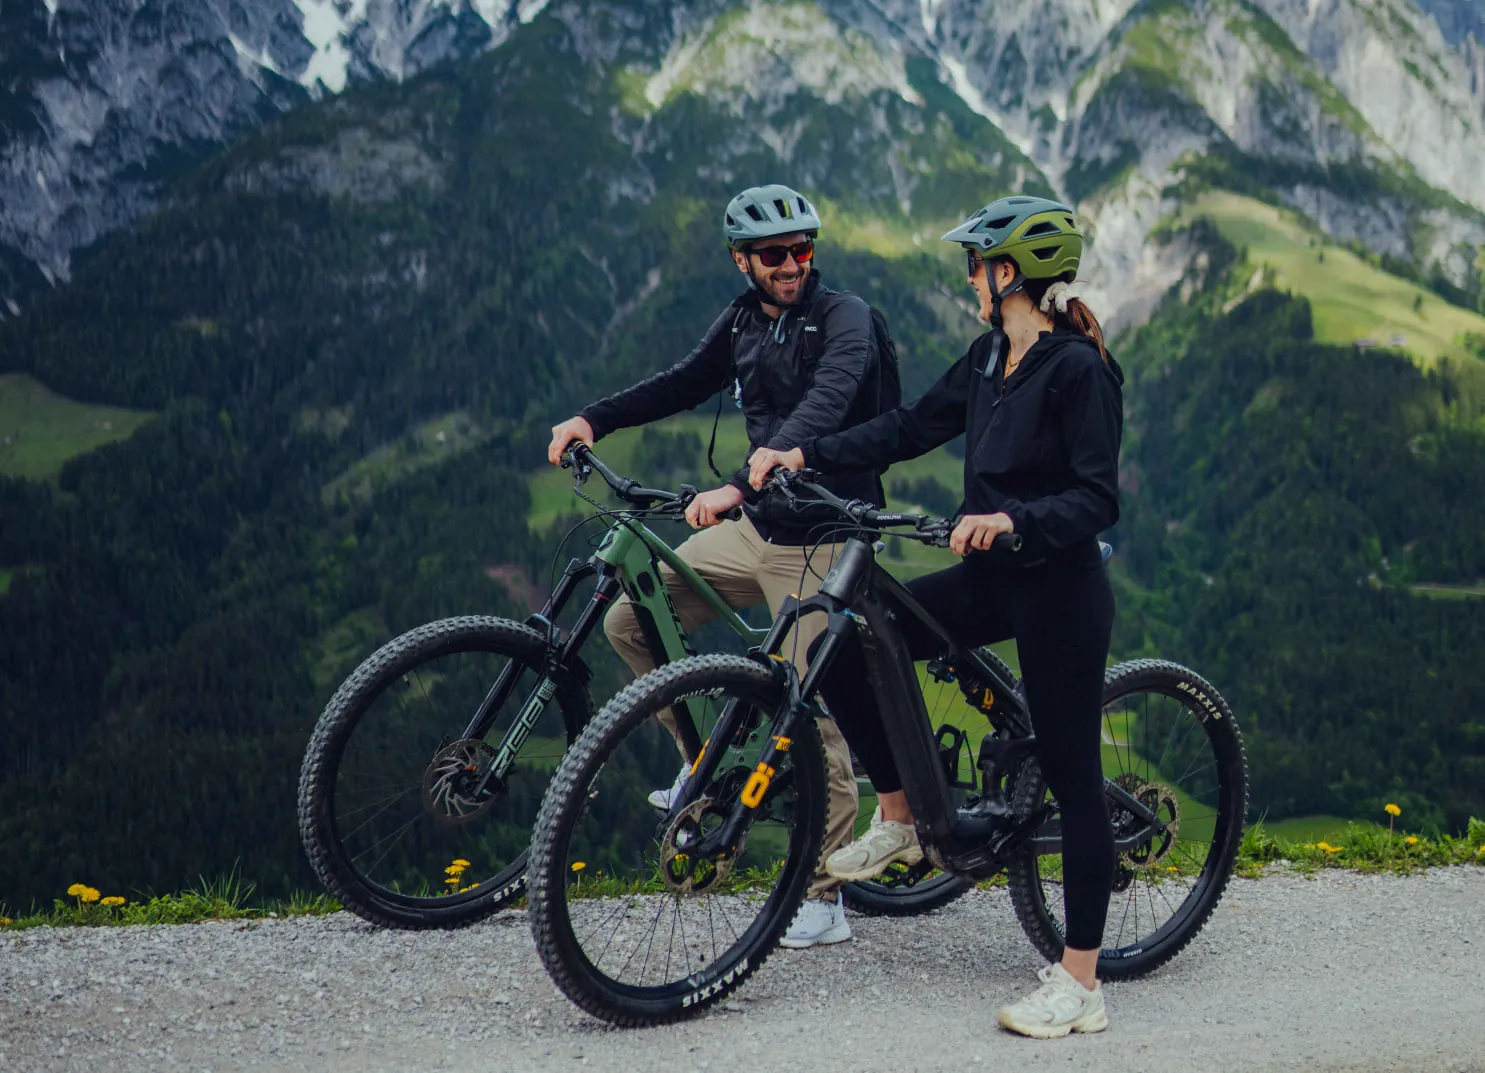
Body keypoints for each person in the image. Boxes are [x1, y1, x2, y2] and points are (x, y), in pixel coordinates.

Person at [747, 195, 1123, 1035]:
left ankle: (1081, 984)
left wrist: (1015, 521)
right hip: (992, 579)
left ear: (1012, 273)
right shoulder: (991, 356)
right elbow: (911, 425)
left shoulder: (1078, 369)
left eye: (976, 266)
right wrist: (805, 451)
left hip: (1058, 589)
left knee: (1072, 780)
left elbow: (1096, 498)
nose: (968, 279)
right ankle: (903, 815)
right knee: (849, 643)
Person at [547, 183, 892, 949]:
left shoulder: (846, 319)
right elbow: (679, 380)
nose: (791, 264)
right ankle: (704, 765)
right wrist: (592, 418)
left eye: (801, 249)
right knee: (631, 618)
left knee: (810, 709)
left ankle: (825, 892)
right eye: (773, 254)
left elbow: (826, 405)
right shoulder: (742, 321)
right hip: (759, 530)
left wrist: (740, 482)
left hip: (827, 537)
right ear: (742, 261)